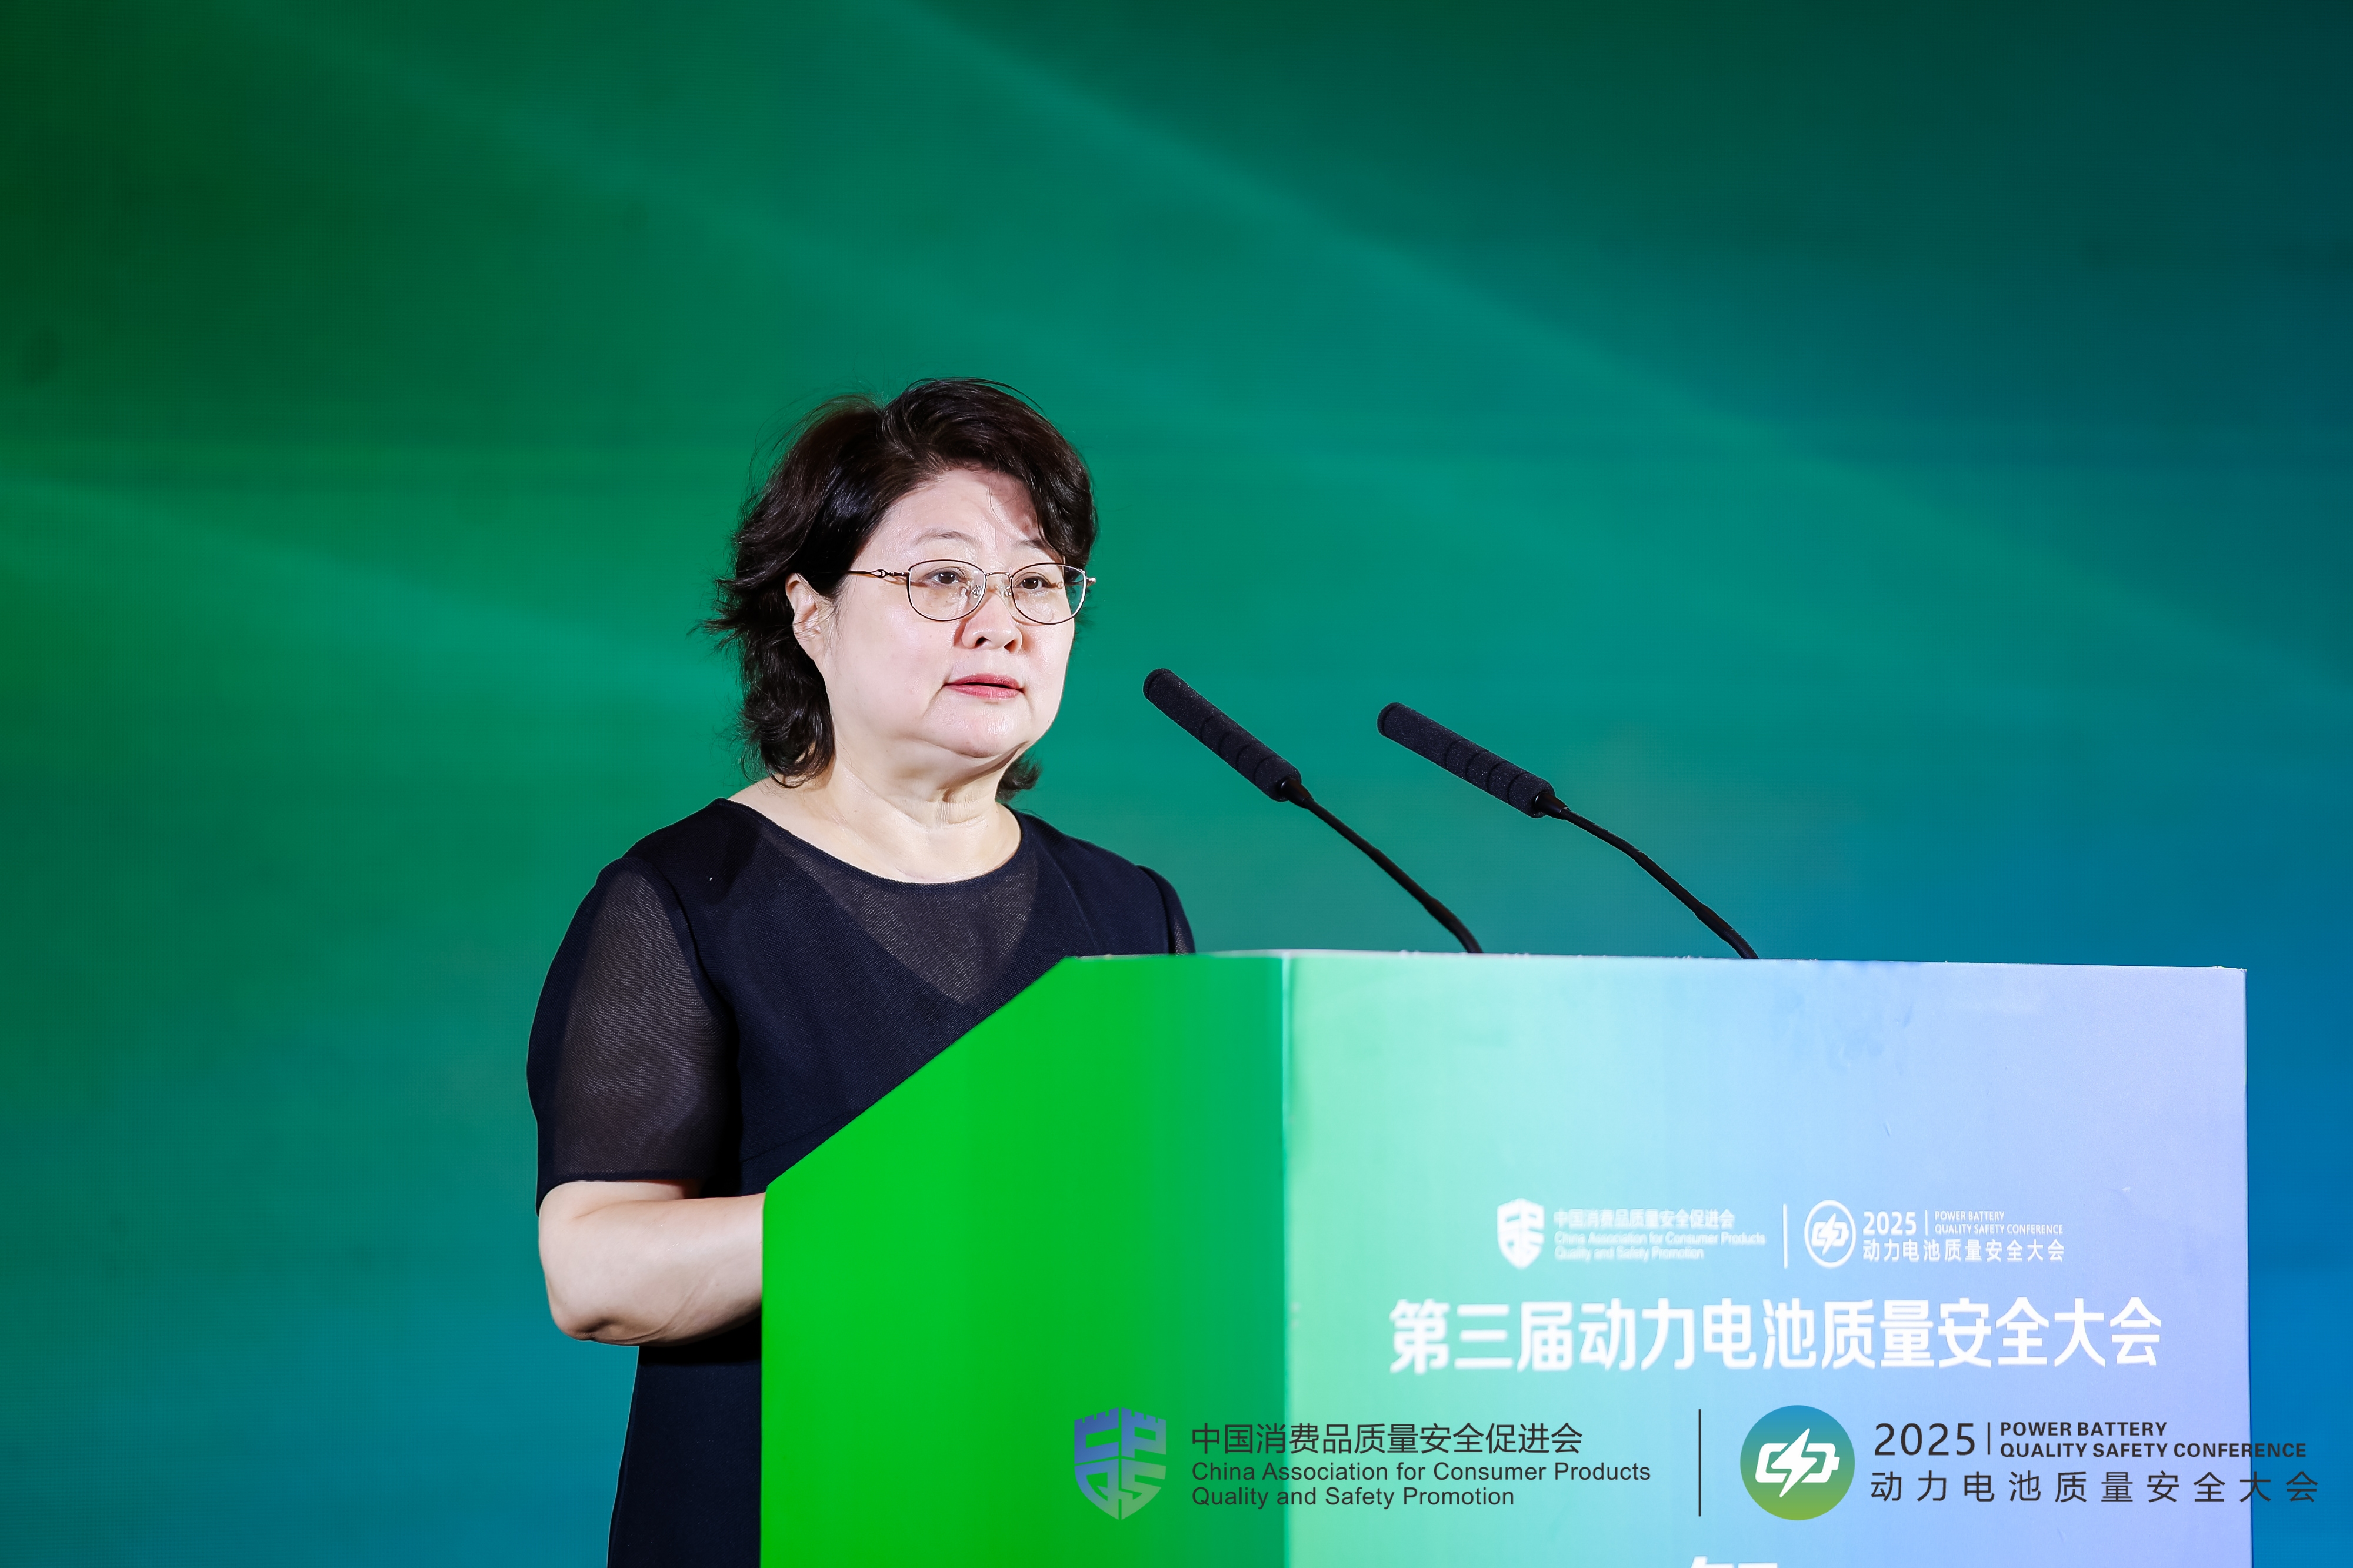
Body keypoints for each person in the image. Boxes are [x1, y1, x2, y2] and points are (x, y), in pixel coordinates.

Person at [525, 379, 1192, 1564]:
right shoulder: (691, 898)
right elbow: (595, 1269)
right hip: (784, 1515)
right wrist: (902, 1207)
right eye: (942, 578)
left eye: (1038, 584)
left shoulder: (1128, 911)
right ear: (812, 616)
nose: (1001, 624)